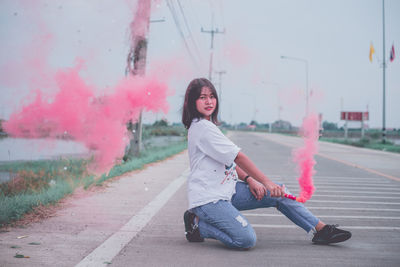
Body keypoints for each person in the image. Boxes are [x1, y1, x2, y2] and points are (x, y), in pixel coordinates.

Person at [181, 78, 351, 249]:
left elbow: (228, 160)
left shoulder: (207, 126)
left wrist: (249, 179)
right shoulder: (203, 128)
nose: (209, 101)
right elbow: (238, 157)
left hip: (228, 191)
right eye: (202, 97)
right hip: (209, 199)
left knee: (280, 193)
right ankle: (196, 224)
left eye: (212, 96)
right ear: (192, 101)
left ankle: (320, 229)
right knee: (246, 239)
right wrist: (266, 182)